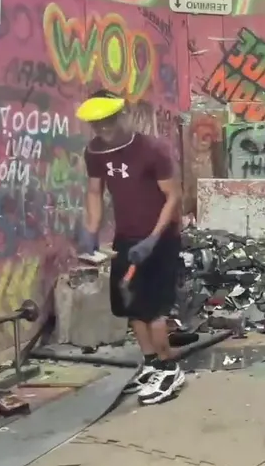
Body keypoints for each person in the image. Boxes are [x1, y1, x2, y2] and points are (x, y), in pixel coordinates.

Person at [76, 89, 186, 406]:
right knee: (131, 305)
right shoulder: (94, 152)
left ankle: (170, 369)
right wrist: (91, 231)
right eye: (97, 123)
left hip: (160, 239)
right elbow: (94, 192)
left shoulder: (152, 150)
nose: (103, 128)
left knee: (155, 310)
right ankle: (151, 363)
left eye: (109, 121)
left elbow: (173, 197)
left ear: (124, 114)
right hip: (126, 238)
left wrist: (153, 239)